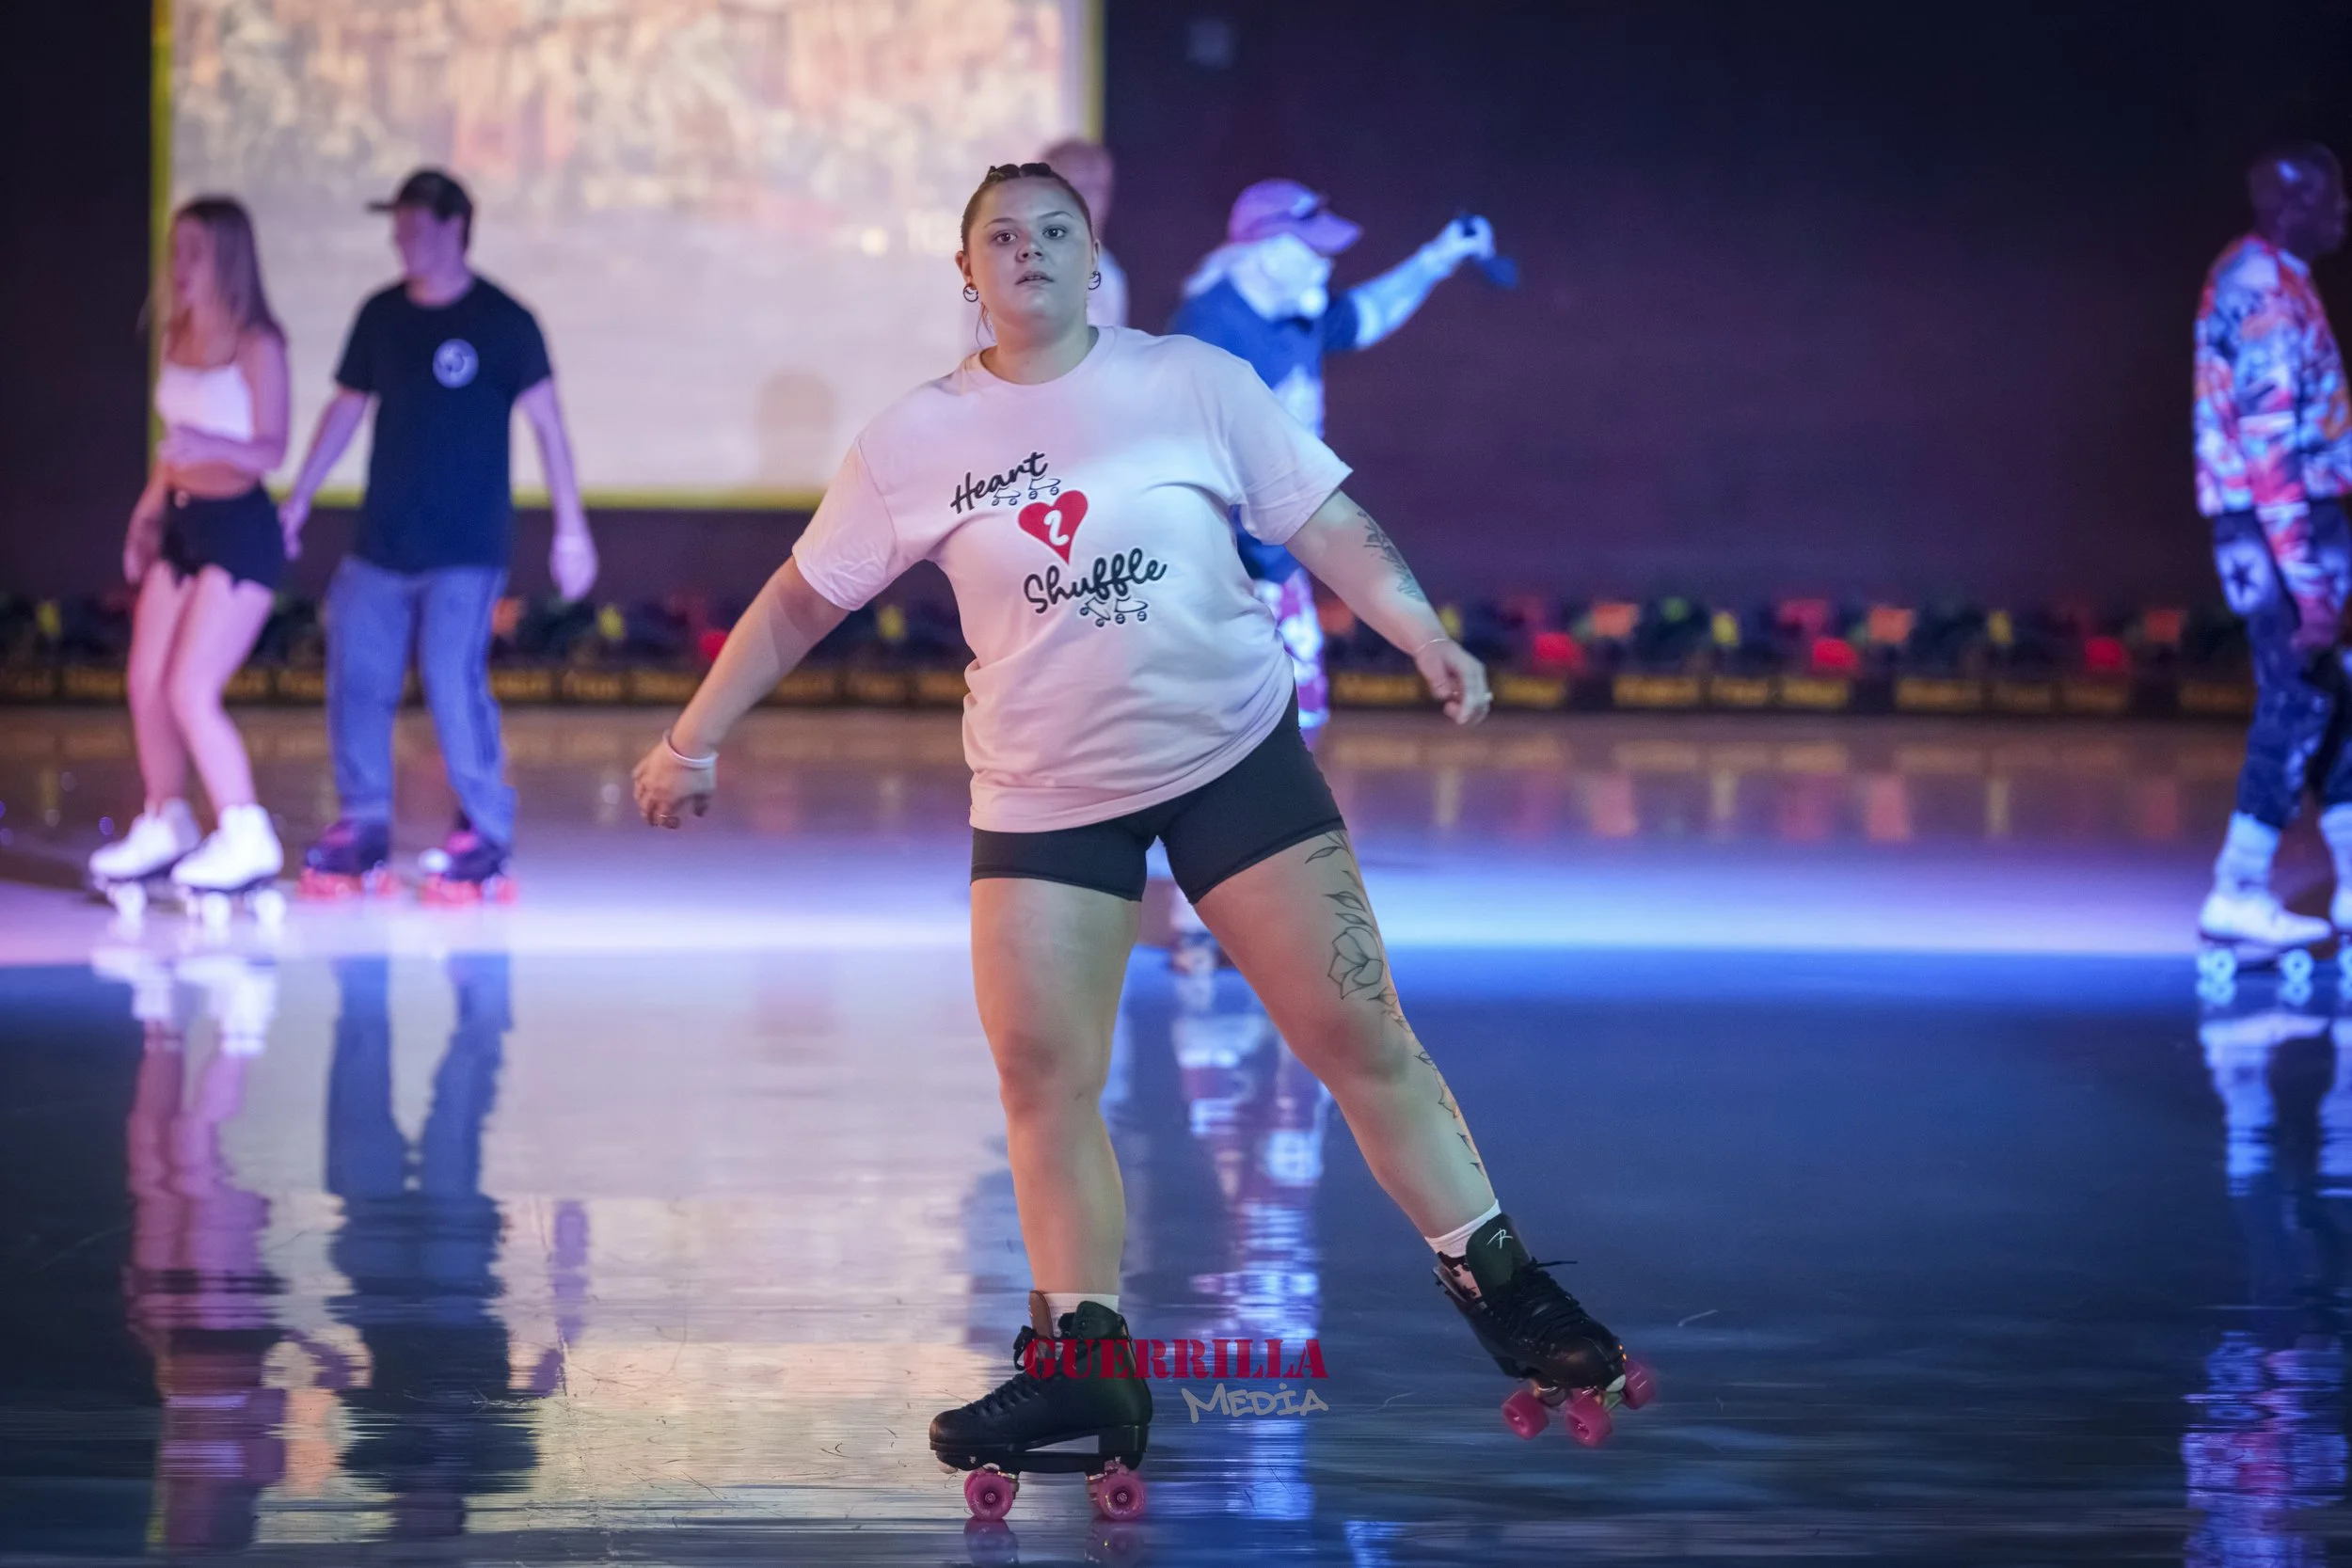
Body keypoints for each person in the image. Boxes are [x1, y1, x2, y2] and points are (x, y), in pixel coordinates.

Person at [630, 163, 1643, 1491]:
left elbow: (1324, 520)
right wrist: (690, 735)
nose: (1031, 250)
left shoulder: (1193, 381)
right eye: (1003, 234)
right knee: (1043, 1075)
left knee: (1358, 1034)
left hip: (1231, 761)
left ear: (1095, 257)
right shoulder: (914, 441)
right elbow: (795, 604)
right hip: (1046, 796)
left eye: (1056, 231)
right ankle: (1089, 1361)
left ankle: (1511, 1294)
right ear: (966, 271)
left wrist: (1422, 632)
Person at [278, 168, 597, 899]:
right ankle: (362, 825)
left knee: (454, 684)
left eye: (416, 226)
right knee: (357, 680)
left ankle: (485, 830)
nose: (402, 239)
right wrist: (297, 498)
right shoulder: (382, 315)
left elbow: (549, 430)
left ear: (456, 227)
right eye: (397, 226)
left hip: (467, 547)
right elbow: (344, 412)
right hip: (381, 542)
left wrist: (571, 530)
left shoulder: (505, 323)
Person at [1168, 179, 1497, 743]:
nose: (1325, 264)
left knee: (1299, 716)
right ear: (1269, 254)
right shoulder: (1209, 333)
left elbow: (1366, 316)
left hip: (1280, 549)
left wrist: (1436, 259)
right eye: (1312, 249)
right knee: (1232, 729)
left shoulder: (1294, 310)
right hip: (1228, 568)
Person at [89, 198, 292, 900]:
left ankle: (246, 831)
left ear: (229, 259)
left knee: (189, 688)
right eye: (177, 250)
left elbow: (270, 448)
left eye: (196, 252)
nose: (180, 266)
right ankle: (165, 816)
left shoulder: (259, 342)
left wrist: (213, 446)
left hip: (240, 530)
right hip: (180, 521)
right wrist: (145, 515)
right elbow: (171, 444)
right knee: (145, 682)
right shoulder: (176, 332)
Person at [2195, 144, 2352, 963]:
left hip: (2280, 523)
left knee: (2332, 692)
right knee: (2297, 693)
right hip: (2278, 525)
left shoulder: (2273, 275)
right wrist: (2309, 580)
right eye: (2333, 197)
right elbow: (2269, 452)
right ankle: (2238, 887)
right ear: (2293, 205)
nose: (2345, 210)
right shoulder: (2262, 292)